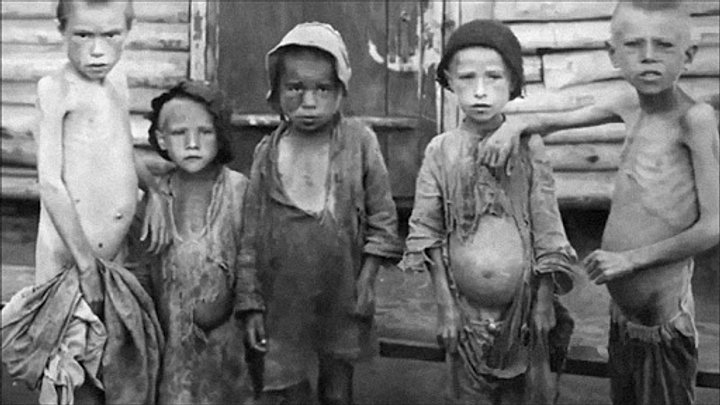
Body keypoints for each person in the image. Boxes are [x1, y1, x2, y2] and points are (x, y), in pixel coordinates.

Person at [479, 2, 720, 404]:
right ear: (613, 54)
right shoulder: (628, 104)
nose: (648, 56)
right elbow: (557, 120)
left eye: (663, 45)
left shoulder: (694, 120)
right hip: (623, 318)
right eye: (634, 45)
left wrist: (630, 260)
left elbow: (713, 226)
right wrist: (515, 126)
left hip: (662, 325)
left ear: (689, 55)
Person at [400, 19, 577, 404]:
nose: (480, 91)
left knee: (525, 396)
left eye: (494, 77)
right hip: (466, 317)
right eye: (466, 78)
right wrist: (445, 307)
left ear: (513, 82)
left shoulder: (529, 148)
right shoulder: (441, 151)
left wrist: (544, 300)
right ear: (448, 81)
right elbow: (427, 232)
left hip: (524, 315)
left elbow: (548, 229)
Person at [240, 22, 402, 405]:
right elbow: (249, 235)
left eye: (323, 89)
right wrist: (250, 303)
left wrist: (367, 280)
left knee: (337, 388)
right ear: (276, 91)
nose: (309, 102)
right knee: (286, 387)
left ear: (341, 90)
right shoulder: (266, 153)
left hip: (341, 290)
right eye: (295, 88)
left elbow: (383, 219)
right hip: (282, 295)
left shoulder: (359, 143)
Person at [32, 0, 166, 402]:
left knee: (110, 361)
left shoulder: (116, 82)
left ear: (128, 31)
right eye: (82, 35)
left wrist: (154, 191)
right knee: (67, 367)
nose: (97, 51)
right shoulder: (55, 89)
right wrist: (85, 264)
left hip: (114, 259)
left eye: (111, 35)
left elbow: (122, 149)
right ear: (61, 31)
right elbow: (51, 183)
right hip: (70, 262)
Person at [140, 80, 265, 404]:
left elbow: (252, 256)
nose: (192, 143)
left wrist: (248, 307)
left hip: (229, 340)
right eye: (179, 133)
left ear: (220, 135)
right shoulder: (157, 199)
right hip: (172, 338)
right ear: (161, 139)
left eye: (205, 132)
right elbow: (141, 266)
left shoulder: (238, 190)